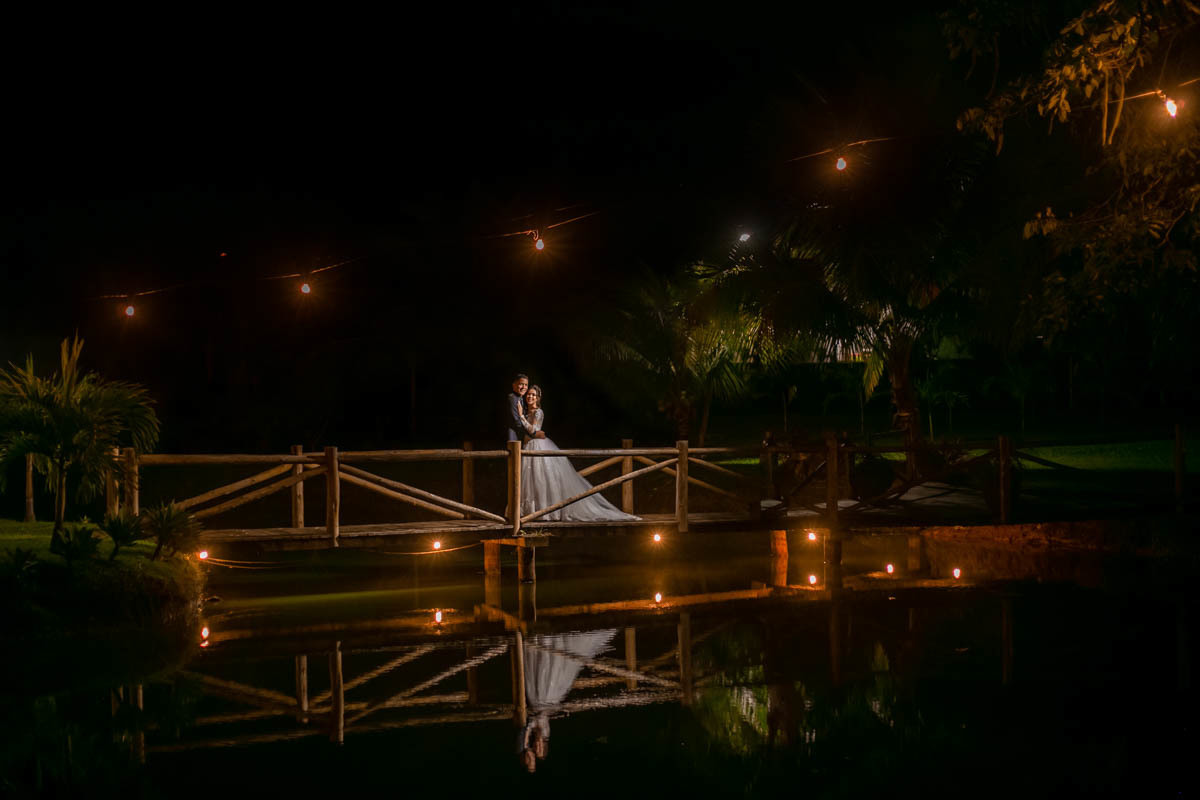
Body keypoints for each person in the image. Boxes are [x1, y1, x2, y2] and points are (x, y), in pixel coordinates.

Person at [517, 385, 638, 522]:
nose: (530, 397)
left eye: (533, 395)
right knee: (532, 480)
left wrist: (521, 416)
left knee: (541, 478)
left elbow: (534, 429)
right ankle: (532, 510)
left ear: (538, 398)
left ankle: (546, 512)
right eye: (529, 394)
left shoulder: (538, 412)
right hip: (529, 446)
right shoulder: (528, 412)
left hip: (537, 446)